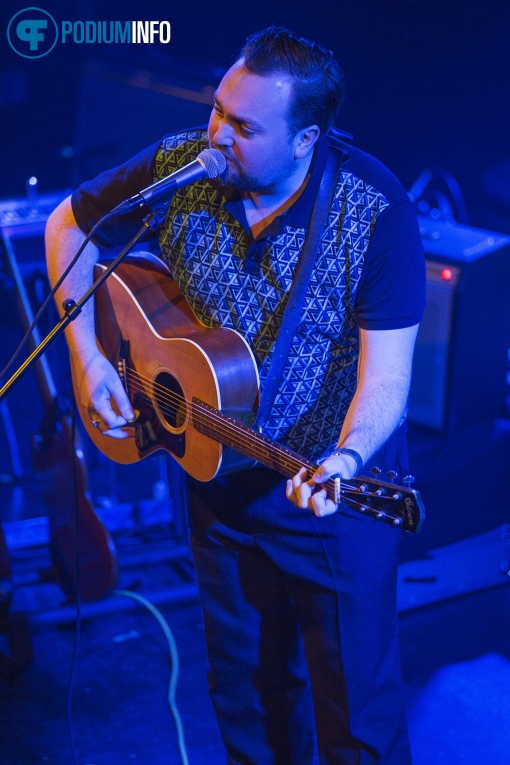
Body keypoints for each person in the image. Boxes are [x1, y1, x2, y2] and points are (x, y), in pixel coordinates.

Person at [45, 27, 425, 765]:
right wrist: (88, 357)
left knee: (360, 720)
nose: (218, 134)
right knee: (247, 699)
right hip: (216, 484)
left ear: (307, 137)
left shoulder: (374, 212)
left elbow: (389, 379)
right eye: (218, 108)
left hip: (334, 495)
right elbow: (68, 224)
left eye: (245, 126)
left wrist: (345, 457)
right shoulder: (184, 163)